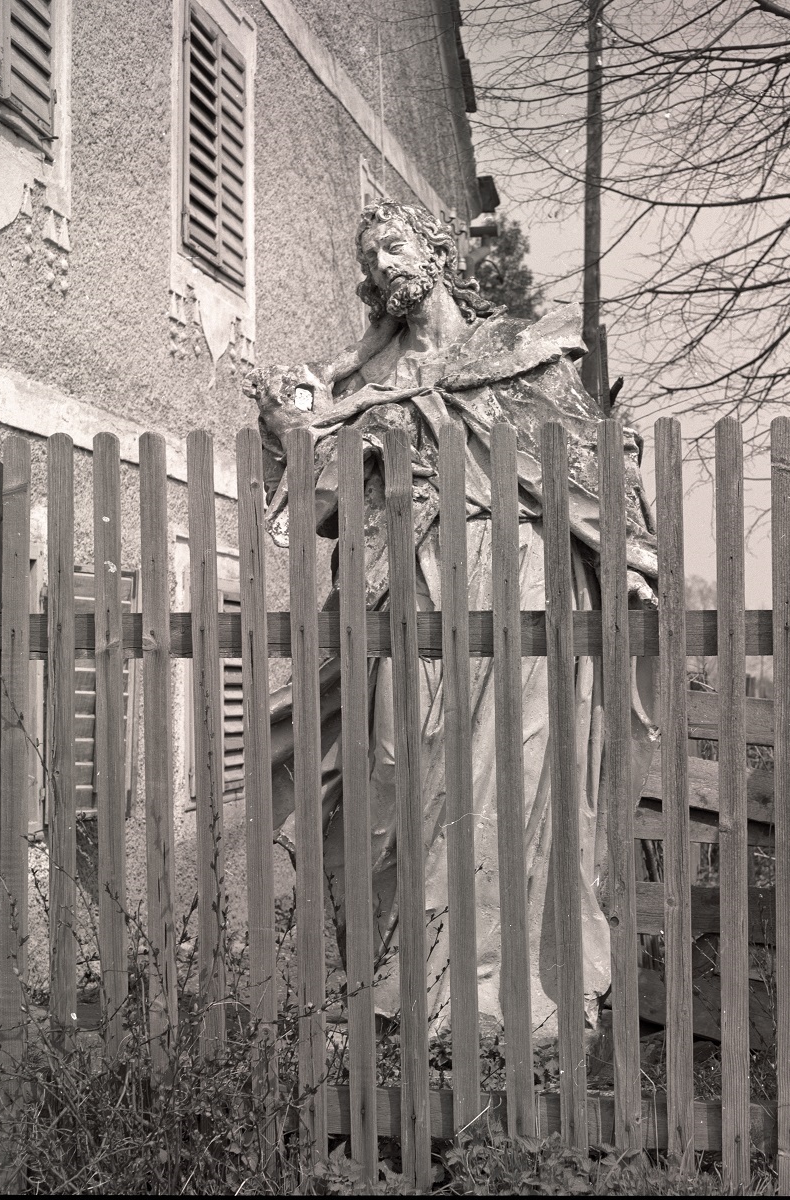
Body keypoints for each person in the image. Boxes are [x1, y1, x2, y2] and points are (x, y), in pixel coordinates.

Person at [246, 199, 658, 1034]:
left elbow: (588, 457)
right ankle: (412, 984)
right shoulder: (366, 385)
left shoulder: (515, 353)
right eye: (371, 257)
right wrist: (297, 423)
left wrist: (628, 557)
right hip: (411, 590)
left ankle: (509, 998)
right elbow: (323, 507)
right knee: (400, 774)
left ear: (434, 252)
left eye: (395, 245)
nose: (384, 266)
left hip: (522, 586)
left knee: (515, 777)